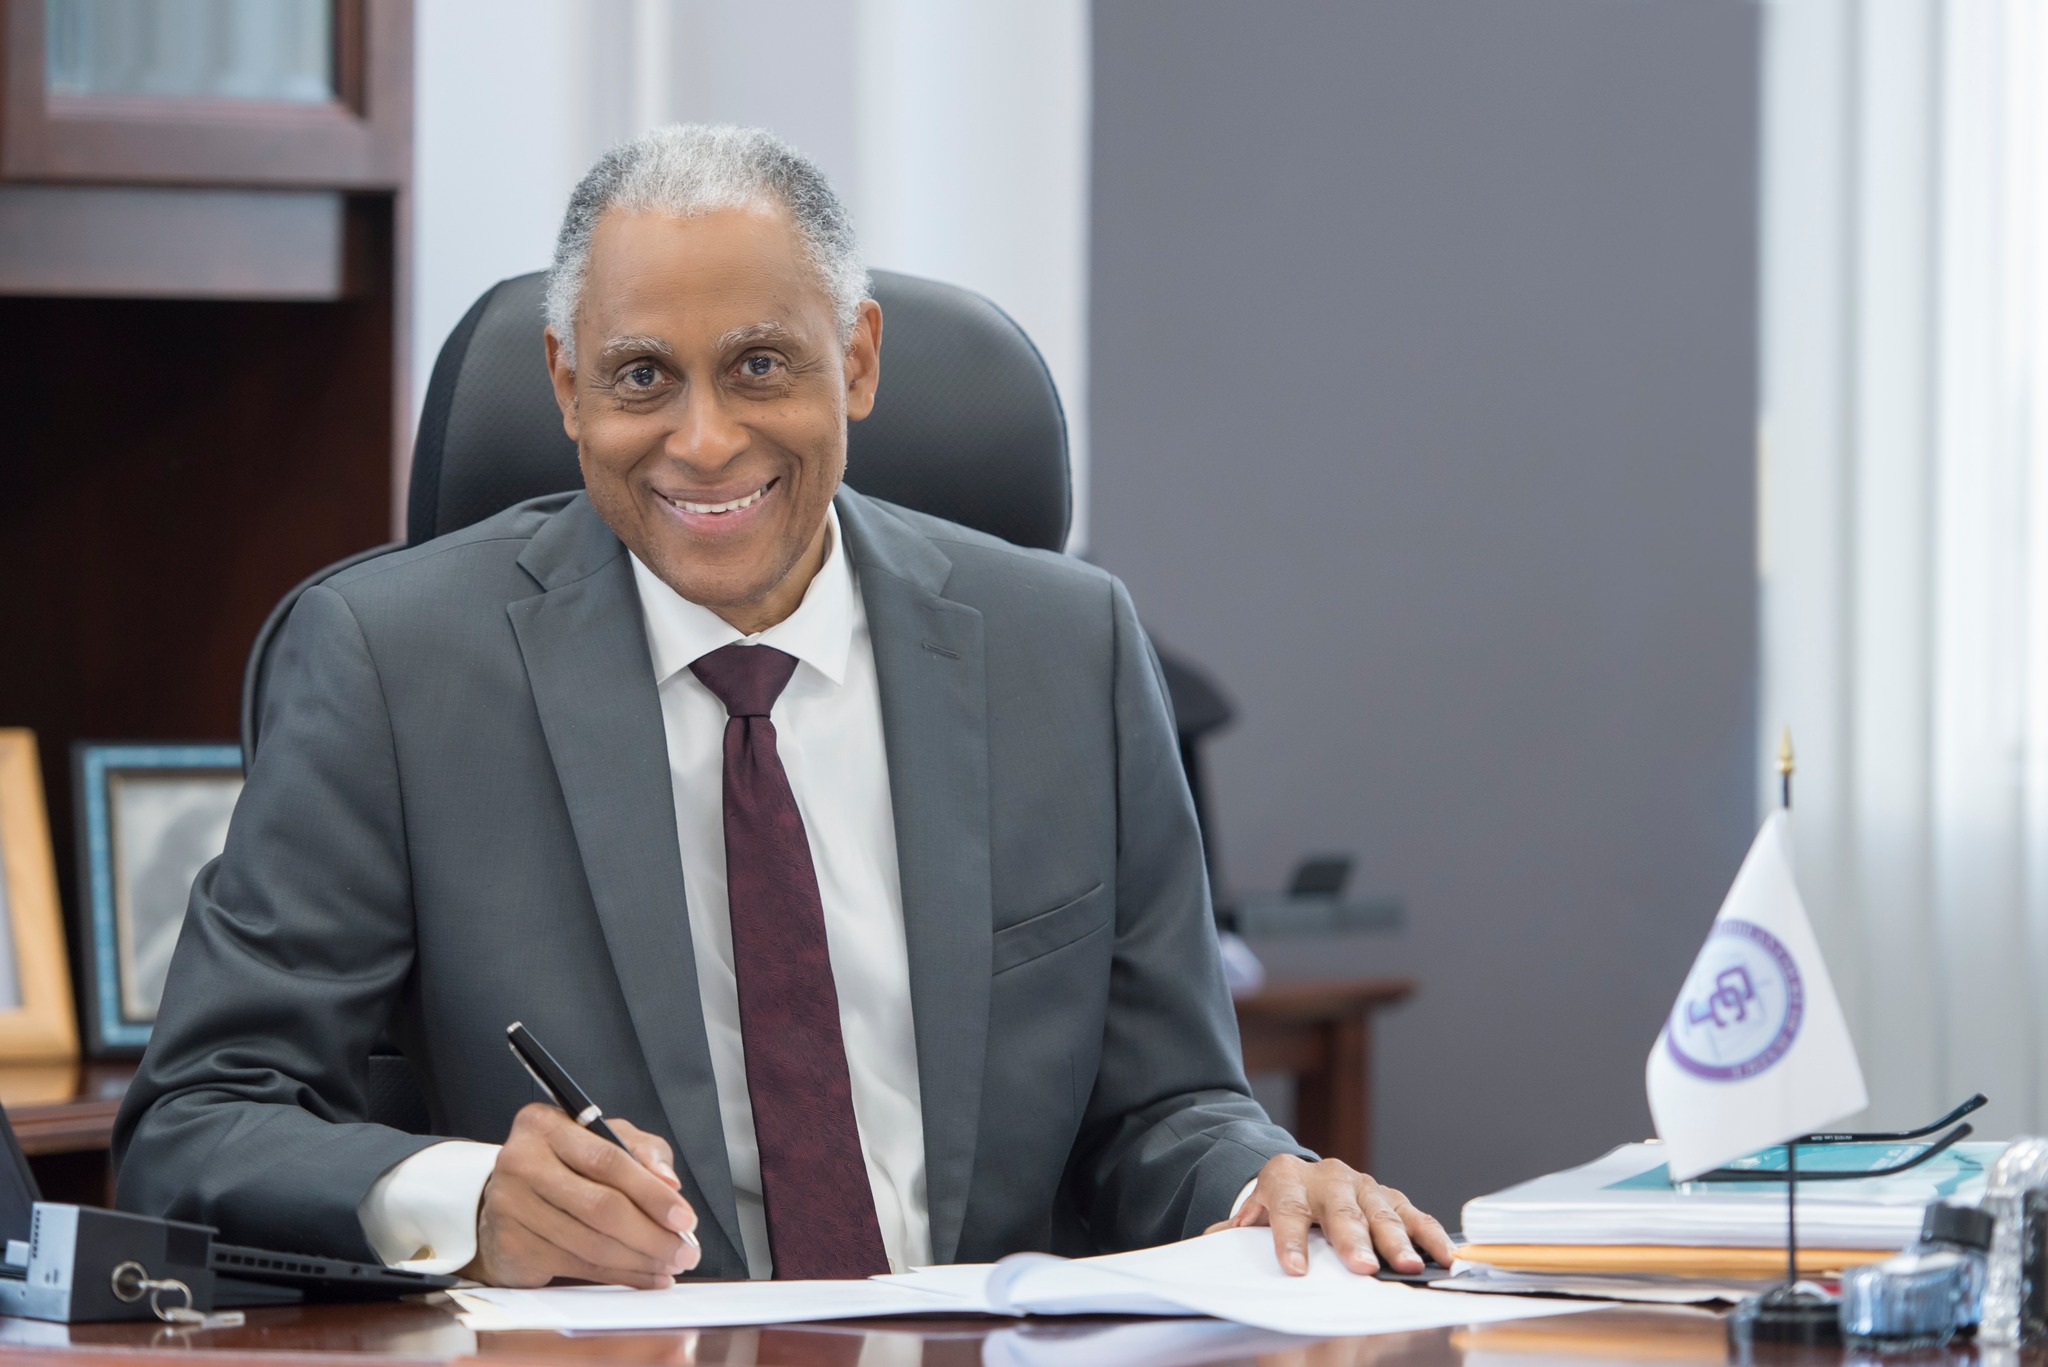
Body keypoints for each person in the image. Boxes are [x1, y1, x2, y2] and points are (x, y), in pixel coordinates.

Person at [114, 125, 1452, 1288]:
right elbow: (195, 1123)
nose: (704, 441)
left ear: (855, 361)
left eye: (761, 365)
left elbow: (1165, 1108)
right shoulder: (389, 666)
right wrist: (466, 1203)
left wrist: (1261, 1182)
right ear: (567, 387)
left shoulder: (1068, 649)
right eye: (642, 376)